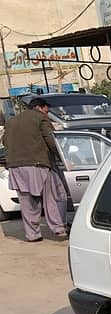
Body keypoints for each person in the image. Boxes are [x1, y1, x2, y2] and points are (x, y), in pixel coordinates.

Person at [1, 98, 68, 242]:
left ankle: (33, 235)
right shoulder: (40, 118)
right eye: (46, 109)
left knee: (27, 201)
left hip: (16, 167)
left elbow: (5, 141)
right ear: (39, 107)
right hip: (38, 164)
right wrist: (63, 158)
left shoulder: (12, 121)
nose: (48, 111)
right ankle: (59, 228)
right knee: (54, 196)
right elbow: (51, 140)